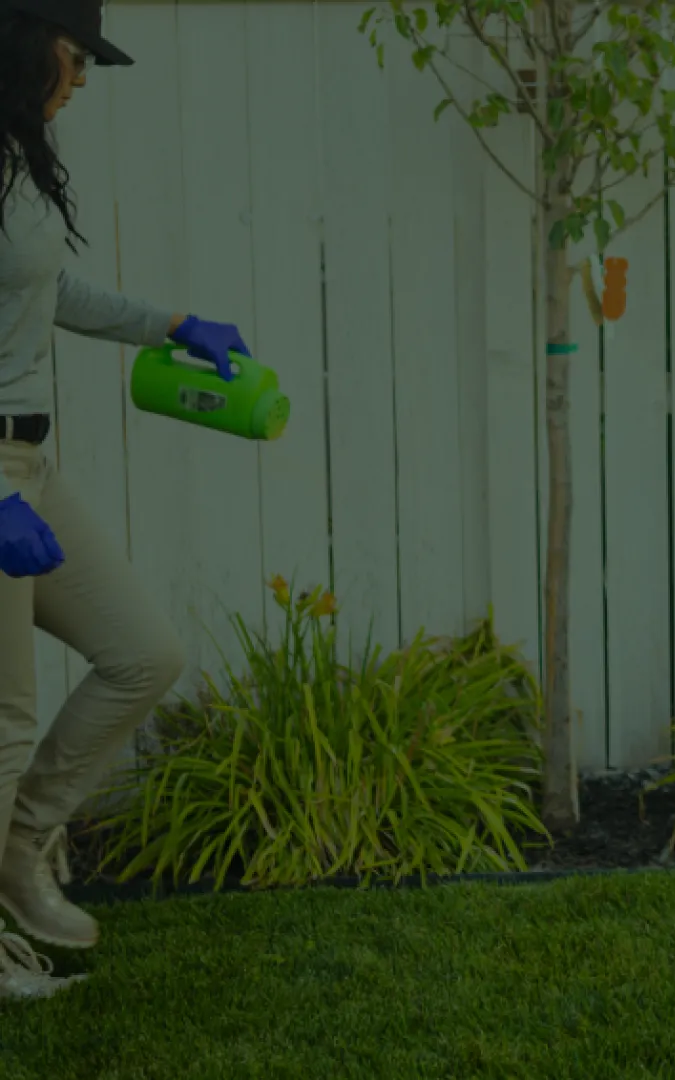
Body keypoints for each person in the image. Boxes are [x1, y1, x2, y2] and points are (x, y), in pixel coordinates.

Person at [1, 0, 253, 999]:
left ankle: (20, 851)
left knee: (144, 652)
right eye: (78, 53)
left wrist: (173, 323)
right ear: (25, 46)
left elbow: (44, 293)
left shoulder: (17, 160)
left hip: (29, 467)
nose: (87, 75)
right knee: (4, 720)